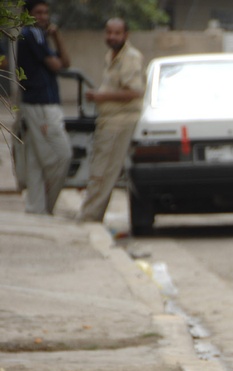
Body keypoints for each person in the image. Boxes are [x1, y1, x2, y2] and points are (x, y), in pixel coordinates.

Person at [78, 18, 145, 224]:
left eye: (117, 33)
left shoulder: (130, 57)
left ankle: (89, 218)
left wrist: (100, 96)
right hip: (108, 120)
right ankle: (90, 216)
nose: (112, 37)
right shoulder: (111, 55)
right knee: (99, 171)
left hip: (120, 121)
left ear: (126, 35)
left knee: (103, 172)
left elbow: (134, 91)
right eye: (109, 32)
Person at [17, 0, 72, 216]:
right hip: (41, 104)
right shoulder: (32, 34)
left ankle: (36, 208)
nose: (43, 17)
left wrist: (57, 36)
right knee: (62, 155)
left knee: (36, 160)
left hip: (40, 103)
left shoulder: (42, 36)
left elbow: (66, 61)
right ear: (28, 15)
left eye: (46, 12)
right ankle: (47, 206)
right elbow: (57, 65)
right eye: (38, 12)